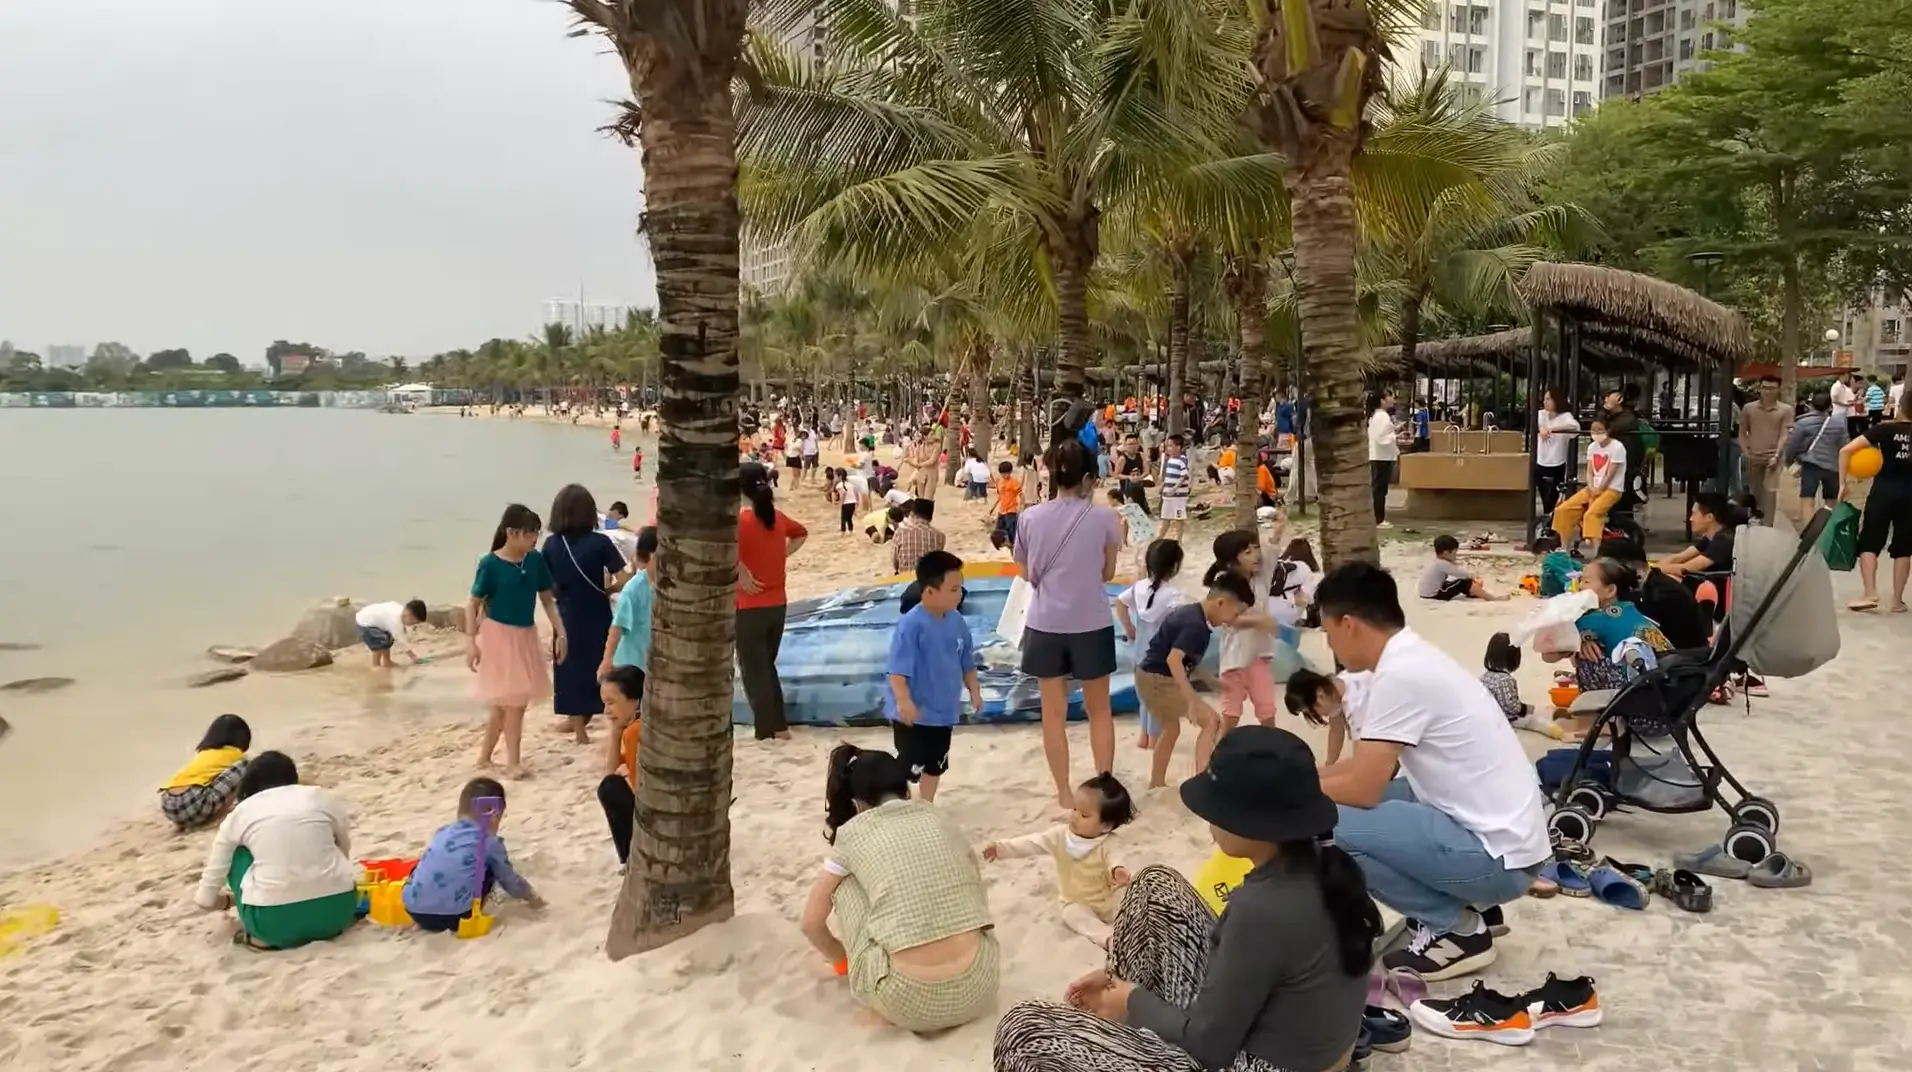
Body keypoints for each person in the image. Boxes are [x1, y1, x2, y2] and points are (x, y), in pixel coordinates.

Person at [992, 727, 1376, 1072]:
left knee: (1023, 1030)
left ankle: (1129, 1025)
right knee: (1152, 886)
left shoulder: (1263, 908)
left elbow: (1211, 1048)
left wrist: (1134, 1001)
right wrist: (1122, 988)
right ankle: (1125, 1019)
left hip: (1258, 1062)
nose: (1207, 818)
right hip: (1283, 1035)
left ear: (1252, 823)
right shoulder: (1322, 862)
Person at [1311, 561, 1549, 980]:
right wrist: (1304, 778)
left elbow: (1364, 788)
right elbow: (1369, 771)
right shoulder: (1413, 656)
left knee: (1325, 826)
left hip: (1499, 860)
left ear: (1348, 624)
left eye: (1327, 631)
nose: (1329, 642)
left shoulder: (1400, 677)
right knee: (1388, 793)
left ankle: (1458, 930)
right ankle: (1471, 905)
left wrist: (1285, 794)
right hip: (1510, 841)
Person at [800, 745, 998, 1032]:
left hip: (907, 1000)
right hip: (982, 983)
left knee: (846, 885)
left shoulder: (852, 834)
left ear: (857, 805)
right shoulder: (939, 817)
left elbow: (810, 923)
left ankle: (858, 975)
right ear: (906, 789)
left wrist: (840, 960)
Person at [1014, 438, 1124, 811]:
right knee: (1100, 710)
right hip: (1091, 620)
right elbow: (1108, 573)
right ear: (1089, 476)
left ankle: (1062, 791)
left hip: (1046, 622)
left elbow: (1028, 573)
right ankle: (1104, 784)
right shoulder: (1105, 517)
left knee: (1053, 713)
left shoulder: (1030, 518)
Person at [191, 751, 358, 950]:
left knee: (239, 851)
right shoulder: (321, 797)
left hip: (272, 924)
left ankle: (260, 939)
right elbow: (343, 850)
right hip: (338, 913)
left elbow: (204, 900)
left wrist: (228, 901)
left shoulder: (241, 813)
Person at [982, 773, 1136, 948]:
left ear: (1106, 826)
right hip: (1077, 902)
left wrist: (1118, 870)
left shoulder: (1109, 842)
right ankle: (1109, 939)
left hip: (1108, 902)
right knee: (1072, 915)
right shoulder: (1059, 836)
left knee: (1133, 897)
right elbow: (1032, 843)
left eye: (1084, 815)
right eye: (1075, 810)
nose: (1076, 816)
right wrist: (1002, 848)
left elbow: (1115, 859)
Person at [466, 503, 562, 778]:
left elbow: (547, 600)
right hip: (498, 636)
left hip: (525, 635)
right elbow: (472, 603)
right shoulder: (490, 564)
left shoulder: (534, 560)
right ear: (512, 532)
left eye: (536, 533)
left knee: (502, 704)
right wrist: (470, 642)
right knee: (514, 702)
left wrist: (561, 632)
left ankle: (484, 758)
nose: (535, 539)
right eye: (530, 533)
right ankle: (512, 763)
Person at [1133, 571, 1252, 789]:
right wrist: (1192, 700)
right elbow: (1174, 660)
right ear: (1221, 602)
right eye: (1234, 614)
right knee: (1211, 721)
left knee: (1171, 729)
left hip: (1150, 675)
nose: (1232, 621)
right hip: (1157, 678)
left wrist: (1212, 681)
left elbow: (1188, 661)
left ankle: (1156, 782)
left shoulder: (1195, 617)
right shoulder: (1194, 624)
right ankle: (1203, 780)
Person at [885, 551, 982, 803]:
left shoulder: (957, 620)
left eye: (960, 588)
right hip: (914, 715)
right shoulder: (911, 625)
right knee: (908, 766)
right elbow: (897, 670)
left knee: (936, 763)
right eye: (952, 589)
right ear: (929, 591)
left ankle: (926, 805)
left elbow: (967, 661)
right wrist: (903, 701)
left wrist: (974, 689)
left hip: (944, 713)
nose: (959, 594)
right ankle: (896, 803)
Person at [545, 484, 632, 745]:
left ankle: (578, 727)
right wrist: (609, 590)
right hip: (596, 611)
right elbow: (626, 577)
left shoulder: (551, 544)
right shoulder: (601, 542)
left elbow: (545, 585)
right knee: (598, 665)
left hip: (566, 613)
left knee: (569, 667)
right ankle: (598, 713)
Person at [404, 777, 545, 932]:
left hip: (413, 910)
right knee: (491, 868)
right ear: (494, 816)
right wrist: (532, 897)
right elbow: (509, 881)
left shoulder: (442, 832)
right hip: (457, 916)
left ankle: (422, 918)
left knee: (425, 863)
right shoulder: (489, 841)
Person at [737, 462, 809, 741]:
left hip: (748, 608)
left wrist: (740, 569)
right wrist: (782, 555)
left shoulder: (739, 522)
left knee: (754, 673)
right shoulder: (776, 517)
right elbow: (801, 533)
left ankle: (768, 731)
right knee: (766, 667)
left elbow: (721, 550)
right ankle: (779, 726)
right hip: (777, 605)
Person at [1542, 557, 1675, 693]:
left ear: (1610, 590)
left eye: (1587, 582)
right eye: (1581, 580)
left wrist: (1576, 639)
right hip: (1665, 682)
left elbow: (1548, 655)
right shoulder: (1628, 609)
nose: (1580, 586)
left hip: (1636, 690)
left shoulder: (1595, 620)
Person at [1840, 389, 1912, 613]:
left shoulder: (1884, 429)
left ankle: (1870, 593)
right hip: (1910, 496)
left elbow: (1845, 450)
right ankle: (1897, 600)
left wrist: (1843, 483)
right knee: (1904, 548)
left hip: (1882, 492)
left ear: (1901, 407)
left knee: (1869, 542)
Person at [1206, 531, 1285, 731]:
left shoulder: (1261, 578)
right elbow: (1224, 619)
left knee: (1267, 712)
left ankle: (1272, 751)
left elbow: (1273, 550)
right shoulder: (1224, 582)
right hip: (1234, 661)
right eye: (1247, 552)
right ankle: (1219, 755)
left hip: (1259, 657)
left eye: (1256, 548)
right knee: (1230, 715)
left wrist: (1277, 530)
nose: (1256, 555)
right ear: (1232, 561)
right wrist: (1260, 621)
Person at [1116, 539, 1188, 752]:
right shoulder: (1173, 595)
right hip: (1160, 657)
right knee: (1159, 699)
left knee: (1144, 696)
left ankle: (1144, 737)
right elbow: (1179, 621)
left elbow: (1120, 603)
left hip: (1139, 653)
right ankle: (1155, 740)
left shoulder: (1138, 587)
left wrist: (1129, 628)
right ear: (1175, 567)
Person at [1596, 536, 1710, 652]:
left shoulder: (1663, 595)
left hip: (1679, 661)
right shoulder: (1643, 587)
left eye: (1606, 572)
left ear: (1628, 568)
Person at [160, 714, 252, 831]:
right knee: (246, 766)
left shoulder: (203, 753)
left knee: (214, 781)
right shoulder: (235, 754)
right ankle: (218, 814)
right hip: (194, 803)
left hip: (168, 803)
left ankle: (190, 820)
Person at [1551, 415, 1626, 554]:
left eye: (1600, 430)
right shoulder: (1592, 447)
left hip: (1611, 489)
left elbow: (1610, 474)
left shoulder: (1617, 447)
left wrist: (1599, 489)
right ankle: (1564, 547)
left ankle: (1597, 552)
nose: (1596, 433)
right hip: (1592, 488)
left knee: (1592, 514)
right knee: (1563, 509)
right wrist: (1591, 487)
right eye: (1593, 430)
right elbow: (1590, 471)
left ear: (1608, 430)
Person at [595, 666, 646, 869]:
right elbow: (614, 768)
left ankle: (629, 858)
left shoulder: (635, 731)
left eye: (611, 703)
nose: (606, 711)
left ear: (635, 701)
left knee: (610, 790)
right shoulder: (641, 724)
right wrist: (615, 733)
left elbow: (617, 780)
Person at [1782, 392, 1849, 527]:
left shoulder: (1802, 423)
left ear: (1811, 406)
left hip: (1811, 465)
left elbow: (1791, 445)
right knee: (1831, 500)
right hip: (1833, 466)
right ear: (1830, 407)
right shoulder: (1839, 424)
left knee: (1807, 499)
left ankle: (1809, 531)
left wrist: (1789, 462)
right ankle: (1829, 528)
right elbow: (1845, 446)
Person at [599, 525, 657, 678]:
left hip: (654, 663)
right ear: (652, 556)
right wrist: (607, 660)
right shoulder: (634, 588)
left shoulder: (672, 587)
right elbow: (617, 626)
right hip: (631, 664)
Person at [1737, 374, 1794, 526]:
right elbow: (1742, 432)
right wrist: (1746, 451)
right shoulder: (1749, 408)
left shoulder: (1785, 410)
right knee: (1754, 490)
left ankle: (1767, 523)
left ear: (1778, 389)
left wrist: (1777, 454)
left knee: (1770, 491)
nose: (1767, 391)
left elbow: (1784, 434)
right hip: (1753, 456)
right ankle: (1755, 517)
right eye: (1764, 388)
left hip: (1773, 457)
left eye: (1771, 388)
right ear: (1759, 389)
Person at [1283, 667, 1371, 766]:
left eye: (1312, 710)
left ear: (1320, 696)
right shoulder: (1339, 683)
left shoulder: (1357, 709)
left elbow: (1365, 760)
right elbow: (1336, 731)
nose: (1319, 715)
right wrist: (1329, 764)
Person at [1656, 492, 1737, 584]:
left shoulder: (1723, 542)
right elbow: (1680, 557)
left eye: (1694, 514)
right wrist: (1658, 567)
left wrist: (1656, 570)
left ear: (1709, 517)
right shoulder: (1709, 538)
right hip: (1704, 584)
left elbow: (1686, 569)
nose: (1691, 519)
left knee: (1667, 580)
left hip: (1714, 591)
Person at [1533, 387, 1580, 516]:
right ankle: (1546, 519)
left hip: (1557, 462)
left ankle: (1552, 522)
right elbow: (1537, 424)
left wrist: (1551, 428)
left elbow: (1575, 427)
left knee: (1554, 495)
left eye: (1548, 399)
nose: (1545, 402)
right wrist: (1542, 428)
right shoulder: (1541, 414)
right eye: (1544, 399)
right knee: (1543, 494)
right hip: (1540, 460)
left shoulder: (1565, 417)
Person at [1418, 534, 1506, 601]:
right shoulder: (1442, 564)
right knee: (1463, 582)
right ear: (1446, 553)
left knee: (1455, 582)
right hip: (1434, 596)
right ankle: (1492, 598)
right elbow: (1463, 574)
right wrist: (1474, 578)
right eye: (1454, 552)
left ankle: (1473, 592)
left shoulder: (1437, 561)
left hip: (1427, 592)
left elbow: (1453, 571)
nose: (1456, 555)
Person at [354, 599, 428, 668]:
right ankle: (376, 665)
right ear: (408, 615)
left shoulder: (400, 612)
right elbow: (401, 642)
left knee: (388, 639)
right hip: (364, 622)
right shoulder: (394, 621)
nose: (412, 625)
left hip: (376, 622)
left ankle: (387, 661)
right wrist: (413, 657)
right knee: (378, 643)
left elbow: (400, 634)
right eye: (413, 622)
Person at [1479, 632, 1530, 723]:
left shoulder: (1484, 676)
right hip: (1504, 719)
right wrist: (1523, 709)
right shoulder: (1505, 680)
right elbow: (1510, 706)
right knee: (1533, 720)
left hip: (1486, 715)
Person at [1367, 391, 1400, 528]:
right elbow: (1381, 438)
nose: (1393, 399)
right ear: (1382, 400)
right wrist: (1395, 437)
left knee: (1379, 488)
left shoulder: (1378, 416)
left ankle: (1377, 517)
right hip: (1381, 456)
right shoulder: (1382, 416)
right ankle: (1378, 518)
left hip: (1379, 455)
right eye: (1390, 396)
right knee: (1380, 489)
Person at [890, 496, 946, 575]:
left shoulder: (900, 532)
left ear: (912, 514)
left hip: (906, 579)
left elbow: (895, 563)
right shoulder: (940, 536)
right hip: (929, 580)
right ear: (930, 518)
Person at [1111, 484, 1157, 575]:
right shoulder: (1134, 508)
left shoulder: (1132, 506)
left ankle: (1144, 579)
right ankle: (1145, 576)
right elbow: (1124, 520)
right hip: (1142, 537)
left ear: (1130, 497)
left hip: (1145, 537)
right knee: (1138, 559)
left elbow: (1114, 511)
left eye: (1126, 497)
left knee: (1142, 560)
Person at [1158, 434, 1191, 541]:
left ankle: (1179, 539)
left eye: (1171, 446)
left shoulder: (1182, 460)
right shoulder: (1170, 460)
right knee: (1166, 517)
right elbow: (1168, 476)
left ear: (1178, 447)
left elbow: (1183, 476)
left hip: (1178, 496)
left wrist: (1174, 489)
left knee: (1179, 518)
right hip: (1168, 495)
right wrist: (1163, 486)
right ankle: (1160, 537)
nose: (1168, 448)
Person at [992, 460, 1024, 548]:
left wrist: (1021, 506)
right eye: (1003, 473)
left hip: (1011, 509)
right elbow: (999, 495)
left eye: (1007, 473)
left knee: (1011, 529)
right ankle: (1002, 543)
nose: (1005, 475)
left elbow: (1021, 494)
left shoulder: (1014, 482)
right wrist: (993, 508)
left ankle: (1014, 544)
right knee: (999, 529)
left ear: (1010, 472)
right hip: (1002, 509)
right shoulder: (999, 481)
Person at [832, 467, 859, 533]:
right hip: (853, 503)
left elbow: (843, 493)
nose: (834, 478)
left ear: (840, 477)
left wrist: (840, 503)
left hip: (846, 503)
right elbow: (856, 493)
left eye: (835, 476)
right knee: (849, 518)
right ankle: (851, 530)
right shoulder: (850, 484)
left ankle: (843, 531)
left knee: (843, 519)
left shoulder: (840, 485)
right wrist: (857, 503)